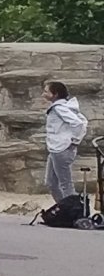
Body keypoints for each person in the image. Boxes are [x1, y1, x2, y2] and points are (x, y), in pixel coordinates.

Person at [44, 80, 88, 213]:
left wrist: (74, 140)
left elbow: (78, 124)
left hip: (61, 149)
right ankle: (64, 208)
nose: (43, 94)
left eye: (46, 91)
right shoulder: (64, 107)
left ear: (55, 94)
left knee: (65, 183)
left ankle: (73, 211)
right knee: (51, 182)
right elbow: (83, 120)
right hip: (55, 149)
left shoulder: (60, 109)